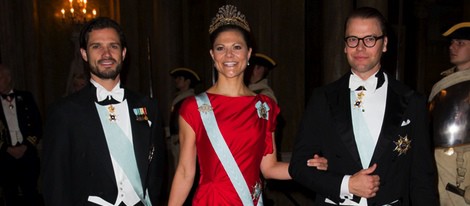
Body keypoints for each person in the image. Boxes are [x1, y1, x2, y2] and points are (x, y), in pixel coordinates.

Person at [168, 5, 327, 205]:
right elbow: (184, 171)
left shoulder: (265, 107)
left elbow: (269, 168)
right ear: (212, 55)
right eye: (220, 48)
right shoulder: (193, 107)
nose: (229, 55)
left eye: (237, 47)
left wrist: (305, 167)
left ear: (249, 53)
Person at [289, 7, 438, 206]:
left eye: (369, 39)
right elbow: (298, 166)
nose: (360, 48)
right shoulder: (322, 98)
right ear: (344, 45)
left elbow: (423, 179)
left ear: (384, 44)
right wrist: (347, 184)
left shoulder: (413, 101)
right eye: (353, 39)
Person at [42, 17, 166, 206]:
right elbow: (55, 182)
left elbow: (157, 170)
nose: (106, 54)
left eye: (113, 46)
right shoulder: (64, 112)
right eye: (96, 46)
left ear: (123, 53)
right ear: (84, 54)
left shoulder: (148, 106)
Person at [429, 22, 470, 205]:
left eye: (460, 43)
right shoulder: (444, 83)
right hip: (440, 157)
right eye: (452, 42)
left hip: (466, 160)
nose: (452, 47)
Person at [0, 64, 42, 206]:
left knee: (31, 193)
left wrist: (26, 146)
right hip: (5, 156)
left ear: (8, 78)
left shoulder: (25, 97)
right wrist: (7, 148)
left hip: (26, 152)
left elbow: (37, 124)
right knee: (9, 195)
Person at [166, 67, 200, 174]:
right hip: (176, 139)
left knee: (184, 171)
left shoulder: (189, 100)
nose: (177, 81)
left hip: (183, 140)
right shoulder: (180, 98)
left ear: (188, 82)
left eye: (180, 78)